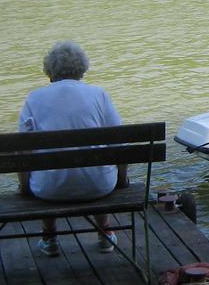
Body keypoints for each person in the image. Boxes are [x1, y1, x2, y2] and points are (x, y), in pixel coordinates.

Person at [18, 40, 128, 257]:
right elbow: (119, 143)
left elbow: (23, 150)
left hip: (48, 190)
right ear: (82, 69)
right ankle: (105, 233)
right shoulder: (99, 95)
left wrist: (24, 186)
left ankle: (49, 237)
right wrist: (122, 180)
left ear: (49, 72)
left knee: (47, 167)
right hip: (99, 186)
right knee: (95, 165)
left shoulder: (34, 98)